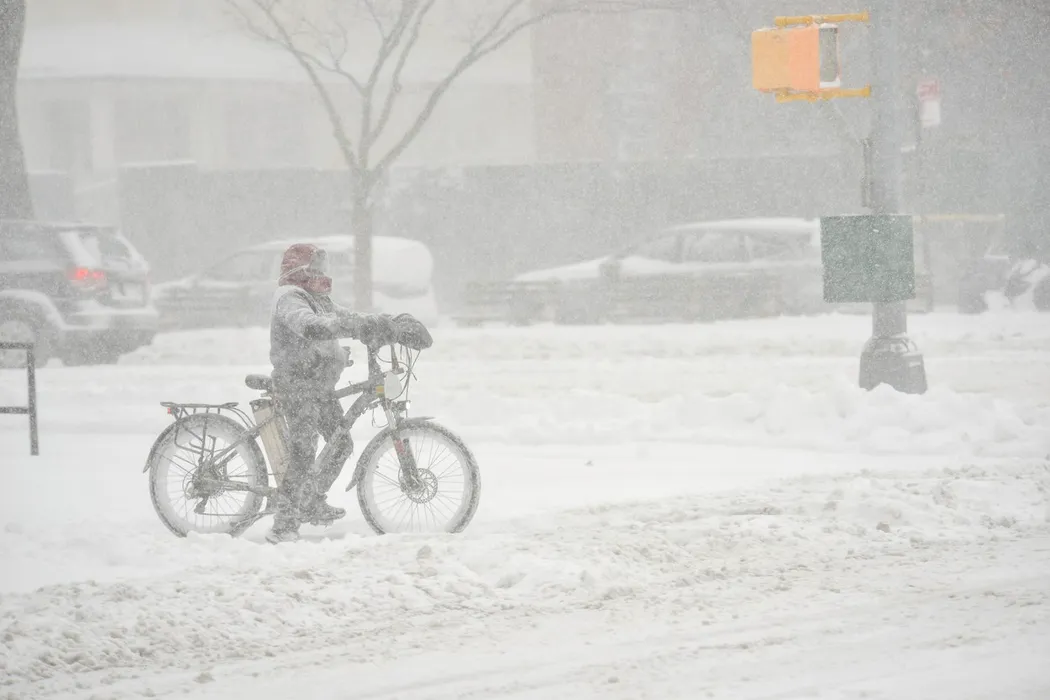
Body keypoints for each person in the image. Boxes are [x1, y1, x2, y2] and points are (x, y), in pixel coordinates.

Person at [266, 242, 397, 544]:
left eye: (322, 268)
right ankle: (284, 522)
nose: (321, 274)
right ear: (299, 270)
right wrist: (353, 329)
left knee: (340, 443)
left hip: (318, 384)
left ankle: (310, 499)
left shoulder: (317, 299)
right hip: (296, 384)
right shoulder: (290, 298)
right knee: (304, 450)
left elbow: (344, 316)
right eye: (315, 268)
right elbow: (311, 326)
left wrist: (382, 321)